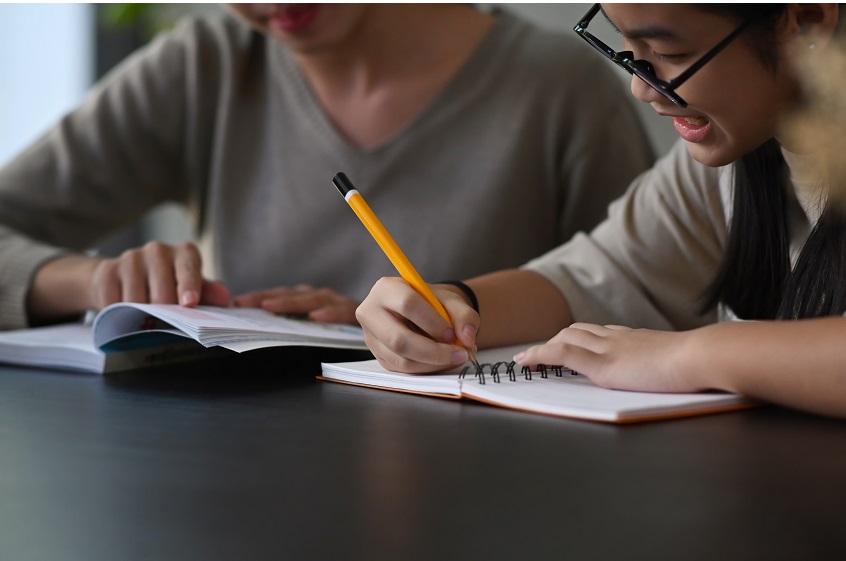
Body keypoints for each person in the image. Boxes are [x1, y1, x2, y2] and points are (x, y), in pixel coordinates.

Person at [0, 3, 654, 330]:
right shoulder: (207, 67)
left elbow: (643, 310)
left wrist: (409, 330)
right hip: (246, 479)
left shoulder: (561, 90)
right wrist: (98, 282)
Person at [356, 4, 846, 419]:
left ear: (804, 21)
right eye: (629, 49)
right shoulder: (727, 162)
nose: (642, 88)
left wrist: (690, 355)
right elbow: (596, 277)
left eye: (671, 53)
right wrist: (448, 305)